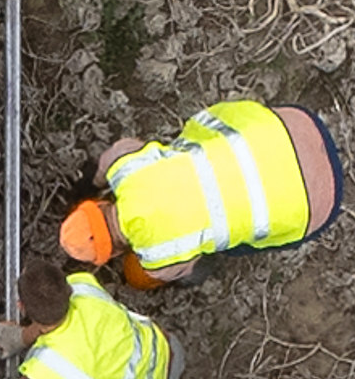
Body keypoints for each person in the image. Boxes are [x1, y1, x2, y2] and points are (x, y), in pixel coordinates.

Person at [59, 98, 337, 280]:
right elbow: (118, 152)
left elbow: (191, 270)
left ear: (115, 253)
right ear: (97, 204)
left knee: (224, 246)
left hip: (317, 204)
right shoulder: (126, 169)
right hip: (295, 126)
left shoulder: (159, 258)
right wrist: (92, 182)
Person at [18, 273, 248, 379]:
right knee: (177, 373)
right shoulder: (82, 285)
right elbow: (49, 322)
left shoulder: (47, 371)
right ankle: (196, 377)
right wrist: (21, 337)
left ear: (21, 307)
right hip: (167, 351)